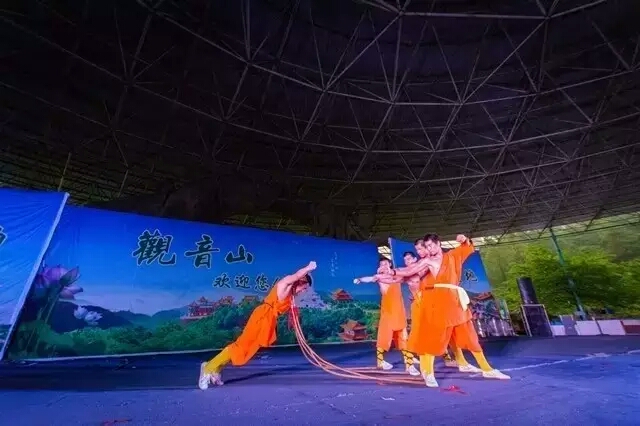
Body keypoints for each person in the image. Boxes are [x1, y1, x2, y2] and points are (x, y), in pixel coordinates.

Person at [381, 234, 509, 387]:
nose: (429, 249)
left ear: (439, 244)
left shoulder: (453, 256)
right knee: (433, 338)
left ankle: (487, 369)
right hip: (438, 303)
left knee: (470, 336)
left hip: (455, 302)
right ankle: (428, 372)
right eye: (426, 247)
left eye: (431, 245)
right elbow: (410, 270)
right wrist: (393, 272)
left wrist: (464, 240)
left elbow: (466, 248)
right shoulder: (427, 261)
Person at [198, 261, 317, 389]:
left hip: (268, 319)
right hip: (262, 316)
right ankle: (208, 367)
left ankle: (215, 368)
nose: (303, 290)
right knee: (241, 346)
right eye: (304, 287)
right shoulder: (285, 284)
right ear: (300, 282)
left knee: (247, 350)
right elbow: (296, 275)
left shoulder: (291, 295)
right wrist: (308, 268)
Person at [354, 258, 420, 376]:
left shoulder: (397, 276)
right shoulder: (380, 277)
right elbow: (370, 278)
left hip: (399, 312)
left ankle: (409, 364)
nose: (383, 265)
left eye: (385, 263)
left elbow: (408, 275)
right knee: (384, 338)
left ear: (390, 264)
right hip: (388, 313)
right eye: (381, 264)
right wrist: (360, 279)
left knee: (403, 338)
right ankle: (380, 362)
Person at [403, 250, 457, 368]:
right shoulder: (407, 273)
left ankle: (447, 358)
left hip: (430, 304)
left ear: (415, 259)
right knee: (415, 333)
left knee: (436, 331)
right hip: (418, 305)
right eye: (405, 260)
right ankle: (409, 363)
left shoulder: (424, 269)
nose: (407, 261)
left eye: (409, 259)